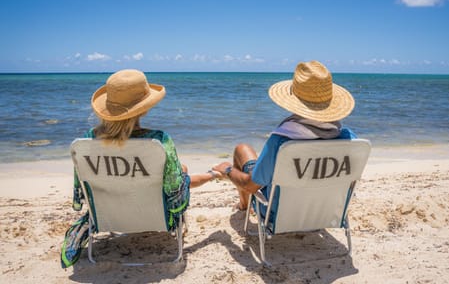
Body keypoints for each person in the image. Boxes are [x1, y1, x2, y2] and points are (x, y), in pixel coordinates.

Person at [72, 69, 220, 229]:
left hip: (107, 219)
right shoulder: (158, 141)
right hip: (157, 218)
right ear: (144, 108)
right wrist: (212, 175)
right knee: (181, 170)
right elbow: (175, 189)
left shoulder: (87, 141)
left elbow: (84, 187)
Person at [212, 61, 356, 213]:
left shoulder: (282, 142)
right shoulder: (349, 139)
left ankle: (244, 206)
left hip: (279, 212)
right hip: (325, 210)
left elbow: (250, 185)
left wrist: (227, 170)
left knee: (242, 149)